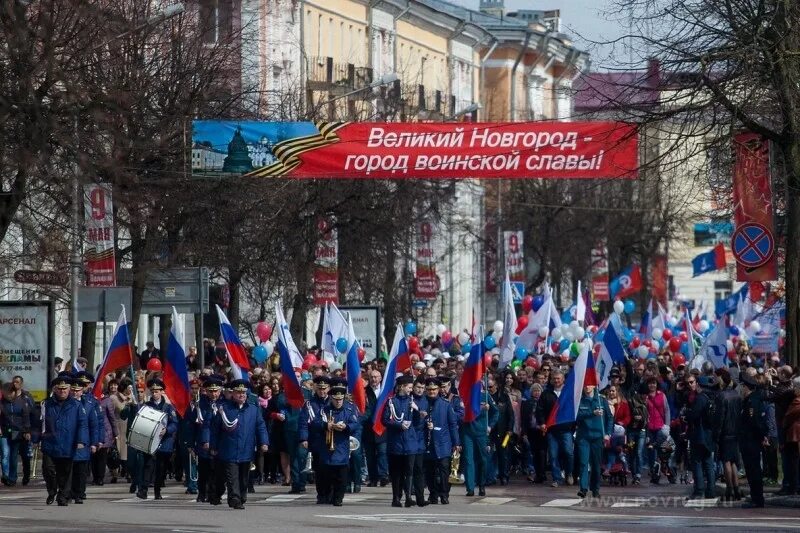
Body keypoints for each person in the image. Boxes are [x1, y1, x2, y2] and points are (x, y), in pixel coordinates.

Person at [209, 379, 269, 510]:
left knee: (243, 477)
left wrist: (264, 442)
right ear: (232, 394)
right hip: (228, 450)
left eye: (243, 392)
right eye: (238, 392)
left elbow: (261, 426)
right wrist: (213, 446)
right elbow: (215, 429)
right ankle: (234, 498)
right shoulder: (224, 408)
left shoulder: (253, 409)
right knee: (232, 477)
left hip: (246, 450)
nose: (241, 395)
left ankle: (241, 496)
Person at [41, 376, 88, 506]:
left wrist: (81, 440)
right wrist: (35, 438)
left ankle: (63, 496)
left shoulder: (76, 405)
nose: (62, 391)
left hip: (68, 443)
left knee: (65, 473)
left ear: (69, 389)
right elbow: (40, 422)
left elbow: (82, 424)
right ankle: (52, 490)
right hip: (50, 443)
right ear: (55, 389)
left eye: (65, 389)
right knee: (48, 469)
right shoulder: (47, 404)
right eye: (60, 389)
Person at [312, 378, 360, 506]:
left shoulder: (349, 410)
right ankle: (326, 495)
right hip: (327, 448)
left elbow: (355, 424)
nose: (338, 401)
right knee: (326, 475)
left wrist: (346, 427)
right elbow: (315, 423)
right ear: (331, 398)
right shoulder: (324, 410)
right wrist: (326, 425)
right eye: (336, 399)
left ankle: (338, 498)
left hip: (342, 447)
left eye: (340, 399)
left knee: (342, 477)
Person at [383, 375, 421, 507]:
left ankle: (409, 496)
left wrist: (417, 410)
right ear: (402, 387)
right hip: (396, 442)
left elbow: (417, 422)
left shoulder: (412, 401)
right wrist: (399, 425)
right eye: (409, 387)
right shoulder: (391, 402)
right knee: (396, 472)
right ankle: (396, 498)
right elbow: (385, 420)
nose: (411, 390)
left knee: (409, 471)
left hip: (410, 442)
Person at [137, 378, 178, 500]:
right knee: (148, 466)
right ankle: (143, 490)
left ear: (161, 392)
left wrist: (167, 430)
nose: (154, 394)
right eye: (153, 391)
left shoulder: (168, 407)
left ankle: (157, 490)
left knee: (161, 469)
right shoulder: (146, 406)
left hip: (164, 442)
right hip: (149, 441)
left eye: (157, 391)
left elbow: (174, 423)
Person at [422, 377, 460, 504]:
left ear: (438, 390)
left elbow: (452, 425)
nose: (432, 392)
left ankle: (444, 494)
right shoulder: (422, 404)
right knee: (430, 471)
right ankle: (433, 494)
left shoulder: (446, 404)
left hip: (443, 443)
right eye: (429, 389)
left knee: (444, 470)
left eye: (434, 389)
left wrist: (456, 443)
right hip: (427, 444)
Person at [537, 370, 576, 487]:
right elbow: (540, 410)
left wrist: (574, 426)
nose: (556, 381)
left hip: (566, 429)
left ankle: (569, 473)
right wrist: (542, 423)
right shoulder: (546, 393)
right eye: (554, 378)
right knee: (553, 456)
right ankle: (556, 478)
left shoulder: (569, 393)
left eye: (558, 378)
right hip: (552, 430)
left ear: (563, 379)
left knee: (569, 453)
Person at [575, 383, 612, 498]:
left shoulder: (601, 400)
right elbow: (576, 416)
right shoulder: (579, 400)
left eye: (589, 385)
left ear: (594, 386)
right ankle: (583, 488)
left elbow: (609, 418)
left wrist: (608, 434)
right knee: (583, 463)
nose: (587, 387)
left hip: (597, 436)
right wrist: (592, 413)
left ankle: (595, 489)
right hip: (583, 437)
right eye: (585, 385)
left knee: (596, 465)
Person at [191, 374, 224, 504]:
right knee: (204, 471)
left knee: (217, 471)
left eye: (216, 391)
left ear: (220, 391)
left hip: (219, 444)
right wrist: (191, 443)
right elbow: (193, 425)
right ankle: (201, 493)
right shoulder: (200, 404)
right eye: (211, 391)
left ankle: (214, 494)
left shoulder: (224, 403)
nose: (213, 394)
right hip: (203, 444)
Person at [298, 375, 332, 503]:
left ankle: (331, 493)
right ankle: (321, 494)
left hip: (333, 441)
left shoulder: (333, 402)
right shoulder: (309, 404)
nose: (322, 391)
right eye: (320, 389)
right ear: (315, 389)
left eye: (324, 388)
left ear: (328, 388)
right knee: (320, 469)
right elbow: (303, 423)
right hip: (317, 441)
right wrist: (303, 438)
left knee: (332, 469)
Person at [683, 375, 716, 499]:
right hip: (708, 434)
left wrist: (687, 414)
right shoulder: (711, 396)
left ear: (698, 384)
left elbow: (693, 415)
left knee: (696, 462)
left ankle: (699, 490)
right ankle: (711, 490)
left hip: (699, 434)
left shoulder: (701, 398)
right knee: (708, 463)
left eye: (694, 383)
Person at [738, 372, 768, 508]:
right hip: (747, 441)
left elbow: (755, 422)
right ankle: (755, 496)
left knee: (754, 471)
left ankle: (758, 498)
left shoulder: (751, 402)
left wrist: (762, 437)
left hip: (751, 442)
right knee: (751, 471)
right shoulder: (748, 401)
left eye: (742, 386)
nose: (740, 389)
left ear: (746, 387)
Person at [714, 368, 742, 501]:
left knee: (726, 461)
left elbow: (720, 417)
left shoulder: (721, 396)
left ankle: (729, 489)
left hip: (725, 432)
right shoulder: (736, 395)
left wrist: (717, 434)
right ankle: (736, 488)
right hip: (735, 431)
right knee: (733, 462)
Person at [0, 382, 31, 487]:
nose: (7, 395)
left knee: (13, 456)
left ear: (13, 392)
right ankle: (5, 475)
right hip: (4, 431)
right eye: (5, 393)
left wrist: (26, 431)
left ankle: (12, 478)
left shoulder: (22, 402)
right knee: (5, 453)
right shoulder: (1, 403)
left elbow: (26, 418)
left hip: (17, 432)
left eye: (9, 393)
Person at [363, 369, 389, 487]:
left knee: (382, 453)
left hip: (382, 428)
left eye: (376, 377)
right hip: (368, 428)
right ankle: (373, 478)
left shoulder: (385, 391)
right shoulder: (364, 391)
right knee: (370, 455)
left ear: (381, 378)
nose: (374, 379)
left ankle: (383, 476)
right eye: (372, 377)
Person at [521, 382, 547, 483]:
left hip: (542, 430)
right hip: (531, 430)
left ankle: (542, 473)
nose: (537, 393)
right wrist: (524, 432)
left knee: (542, 453)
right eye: (535, 391)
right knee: (534, 453)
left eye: (538, 391)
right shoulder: (527, 403)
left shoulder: (544, 402)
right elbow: (524, 419)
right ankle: (537, 473)